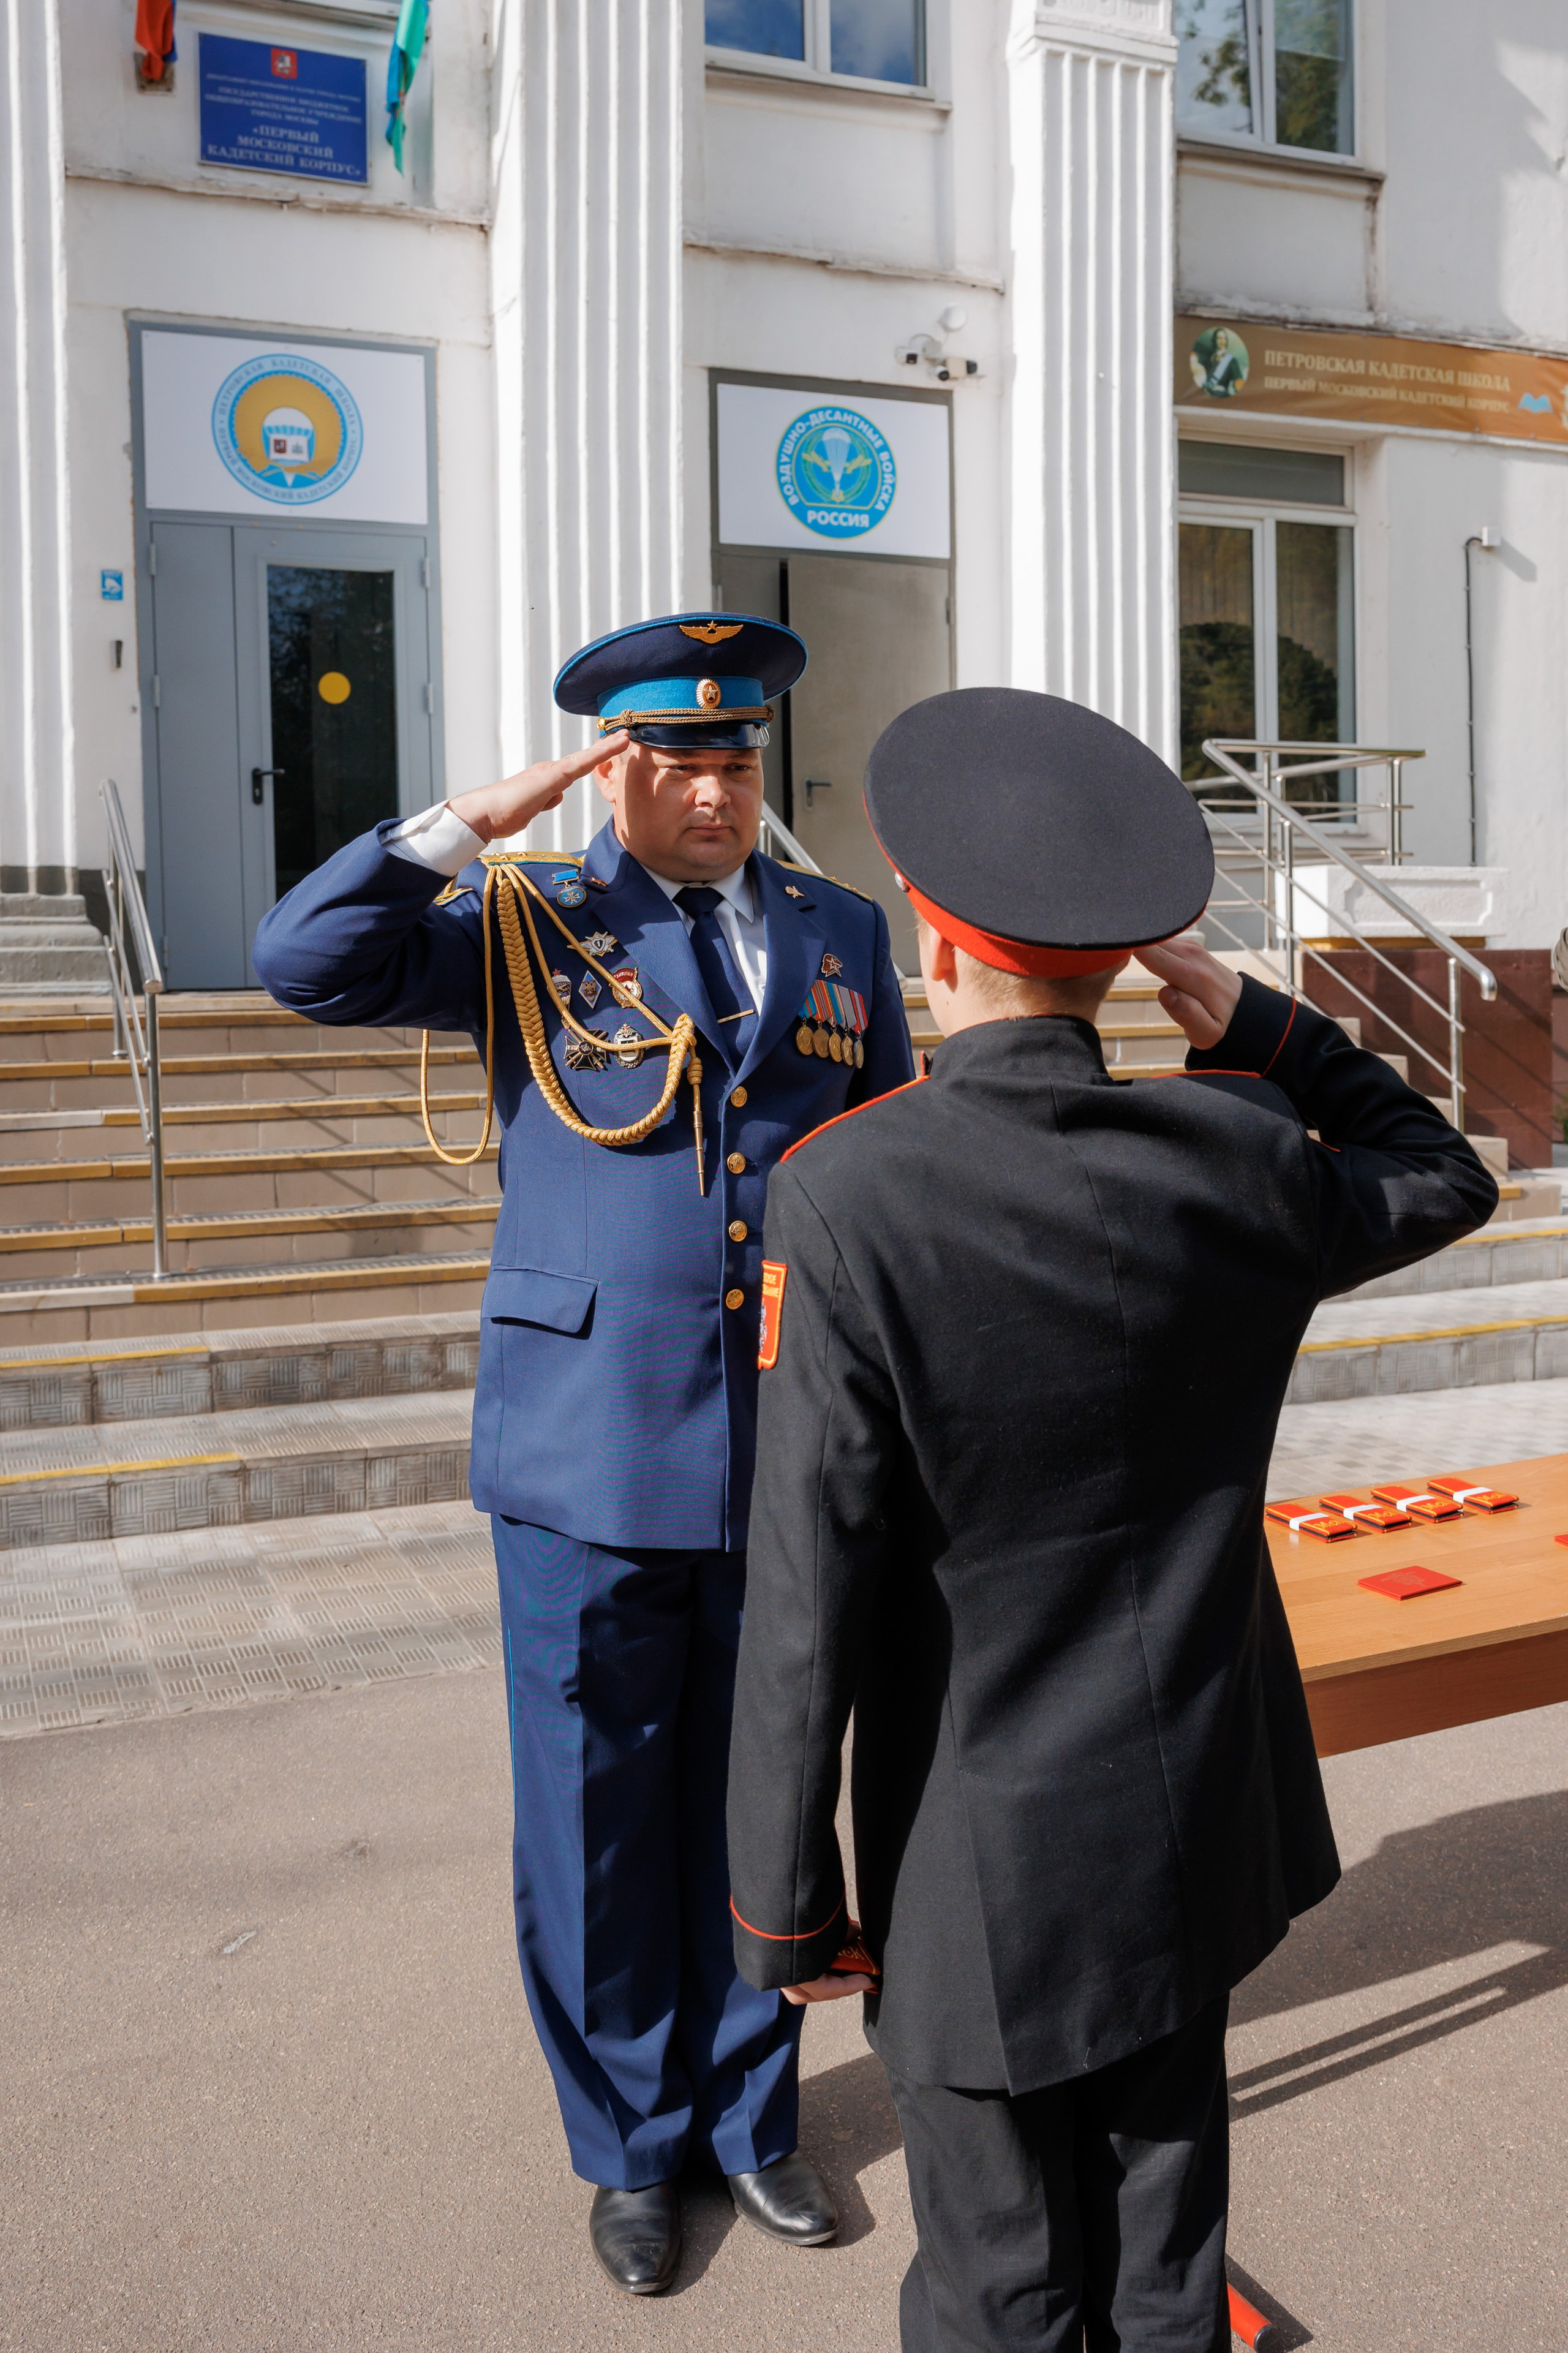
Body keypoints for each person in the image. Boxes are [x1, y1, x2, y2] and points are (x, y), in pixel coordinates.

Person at [725, 686, 1498, 2352]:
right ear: (1119, 959)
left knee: (1005, 2282)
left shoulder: (852, 1193)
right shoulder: (1236, 1150)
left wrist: (784, 1898)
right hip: (1188, 1821)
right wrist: (1258, 1023)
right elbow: (1445, 1167)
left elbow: (809, 1592)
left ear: (933, 945)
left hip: (975, 1859)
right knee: (1164, 2258)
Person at [252, 613, 914, 2297]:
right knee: (596, 1812)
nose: (712, 786)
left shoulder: (840, 928)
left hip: (783, 1441)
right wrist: (476, 818)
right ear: (609, 769)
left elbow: (896, 1153)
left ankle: (754, 2121)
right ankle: (631, 2147)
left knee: (759, 1803)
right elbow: (302, 958)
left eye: (735, 755)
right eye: (672, 758)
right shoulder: (528, 919)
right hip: (585, 1448)